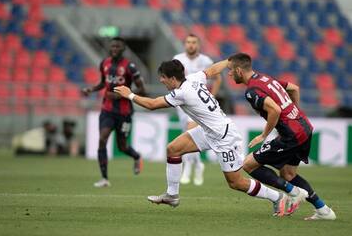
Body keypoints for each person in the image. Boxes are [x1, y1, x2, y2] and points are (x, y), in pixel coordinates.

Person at [114, 59, 306, 217]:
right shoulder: (193, 78)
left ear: (173, 78)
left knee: (236, 183)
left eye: (163, 78)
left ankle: (277, 198)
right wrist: (230, 61)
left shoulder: (182, 93)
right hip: (208, 130)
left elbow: (153, 104)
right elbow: (212, 70)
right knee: (173, 149)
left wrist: (130, 95)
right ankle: (172, 195)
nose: (162, 81)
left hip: (224, 137)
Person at [220, 53, 336, 221]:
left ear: (238, 70)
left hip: (292, 134)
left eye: (230, 71)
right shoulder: (265, 78)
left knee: (248, 165)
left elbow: (275, 110)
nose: (229, 74)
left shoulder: (252, 90)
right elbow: (294, 88)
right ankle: (324, 210)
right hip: (304, 127)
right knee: (288, 174)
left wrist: (263, 135)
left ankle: (294, 192)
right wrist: (294, 114)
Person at [82, 37, 146, 188]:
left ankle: (137, 157)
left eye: (118, 47)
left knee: (122, 147)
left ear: (123, 49)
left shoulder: (130, 67)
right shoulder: (104, 63)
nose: (115, 49)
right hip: (107, 110)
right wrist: (91, 89)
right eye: (113, 47)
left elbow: (142, 89)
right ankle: (104, 178)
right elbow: (104, 83)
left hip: (124, 112)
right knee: (102, 139)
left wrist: (122, 95)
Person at [173, 34, 222, 186]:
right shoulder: (178, 58)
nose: (191, 45)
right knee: (186, 135)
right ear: (184, 44)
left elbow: (217, 78)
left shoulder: (206, 61)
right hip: (182, 102)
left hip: (198, 103)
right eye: (188, 42)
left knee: (189, 132)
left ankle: (188, 167)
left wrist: (212, 96)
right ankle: (198, 165)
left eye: (194, 42)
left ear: (198, 45)